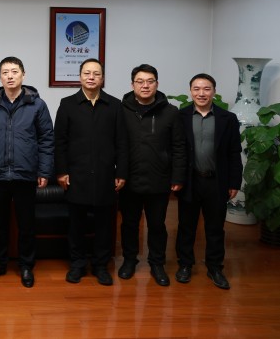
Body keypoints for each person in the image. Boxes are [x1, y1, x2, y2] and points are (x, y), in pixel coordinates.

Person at [0, 56, 54, 288]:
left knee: (26, 223)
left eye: (14, 71)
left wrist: (44, 171)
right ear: (0, 77)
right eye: (5, 72)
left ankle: (26, 266)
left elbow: (46, 139)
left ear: (23, 75)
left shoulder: (37, 105)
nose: (10, 76)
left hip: (26, 172)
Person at [55, 58, 128, 286]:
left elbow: (122, 142)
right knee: (76, 225)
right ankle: (77, 265)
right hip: (76, 175)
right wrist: (61, 171)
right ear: (80, 77)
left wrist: (121, 172)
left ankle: (100, 266)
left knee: (105, 225)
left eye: (96, 73)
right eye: (87, 73)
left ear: (102, 78)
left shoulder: (115, 105)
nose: (91, 77)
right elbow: (60, 142)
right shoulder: (67, 104)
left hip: (106, 175)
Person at [119, 64, 187, 286]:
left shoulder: (171, 112)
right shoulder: (121, 110)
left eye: (150, 81)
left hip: (159, 179)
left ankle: (157, 263)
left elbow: (179, 147)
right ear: (132, 85)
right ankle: (129, 260)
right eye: (140, 81)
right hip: (129, 179)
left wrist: (177, 177)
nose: (145, 86)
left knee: (157, 225)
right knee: (129, 223)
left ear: (157, 84)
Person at [175, 73, 242, 290]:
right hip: (190, 181)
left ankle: (215, 267)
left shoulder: (227, 119)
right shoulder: (181, 116)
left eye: (206, 89)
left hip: (216, 182)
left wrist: (234, 182)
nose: (201, 93)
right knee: (186, 226)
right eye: (196, 89)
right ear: (190, 91)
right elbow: (175, 150)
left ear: (214, 91)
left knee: (215, 228)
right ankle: (185, 264)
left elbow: (234, 152)